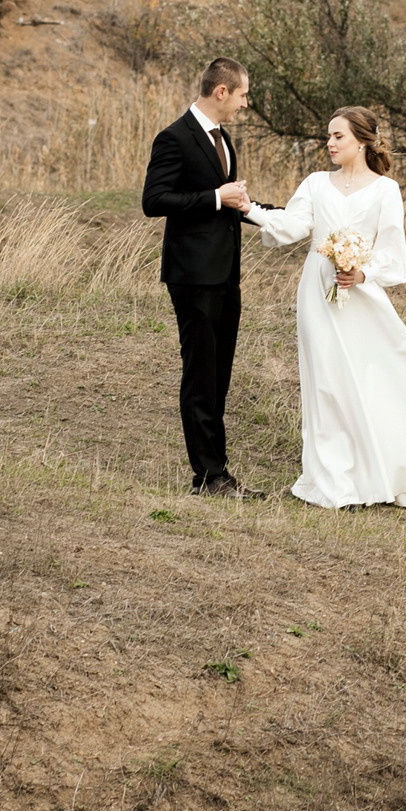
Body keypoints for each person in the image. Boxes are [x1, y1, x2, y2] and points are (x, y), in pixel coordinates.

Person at [245, 106, 406, 509]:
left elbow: (394, 258)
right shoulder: (315, 183)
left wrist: (362, 274)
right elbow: (293, 227)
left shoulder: (386, 190)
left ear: (361, 141)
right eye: (327, 136)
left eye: (338, 136)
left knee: (382, 375)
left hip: (361, 297)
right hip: (317, 290)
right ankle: (336, 479)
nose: (329, 143)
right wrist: (249, 209)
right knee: (325, 381)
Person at [140, 57, 269, 498]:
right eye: (243, 95)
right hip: (193, 276)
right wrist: (215, 196)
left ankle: (218, 473)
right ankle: (209, 477)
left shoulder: (223, 139)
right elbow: (154, 200)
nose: (245, 104)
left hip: (226, 276)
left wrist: (286, 217)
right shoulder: (174, 138)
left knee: (220, 374)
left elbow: (232, 202)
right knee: (201, 375)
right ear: (221, 92)